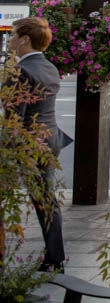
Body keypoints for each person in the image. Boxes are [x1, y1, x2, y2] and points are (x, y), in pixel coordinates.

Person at [5, 17, 69, 272]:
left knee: (39, 198)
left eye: (13, 35)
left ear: (24, 39)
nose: (9, 39)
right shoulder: (50, 67)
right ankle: (55, 257)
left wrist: (7, 153)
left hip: (28, 144)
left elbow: (13, 118)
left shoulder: (20, 71)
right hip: (49, 139)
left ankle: (53, 258)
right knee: (46, 198)